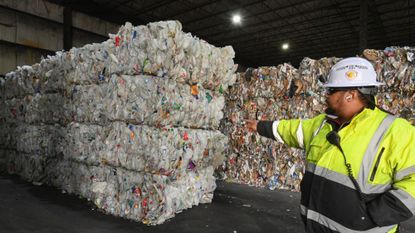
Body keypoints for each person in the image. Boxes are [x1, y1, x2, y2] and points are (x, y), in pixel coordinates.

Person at [245, 57, 415, 233]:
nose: (326, 96)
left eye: (331, 90)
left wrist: (375, 215)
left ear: (351, 94)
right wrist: (259, 126)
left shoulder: (396, 131)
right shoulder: (322, 124)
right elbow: (291, 130)